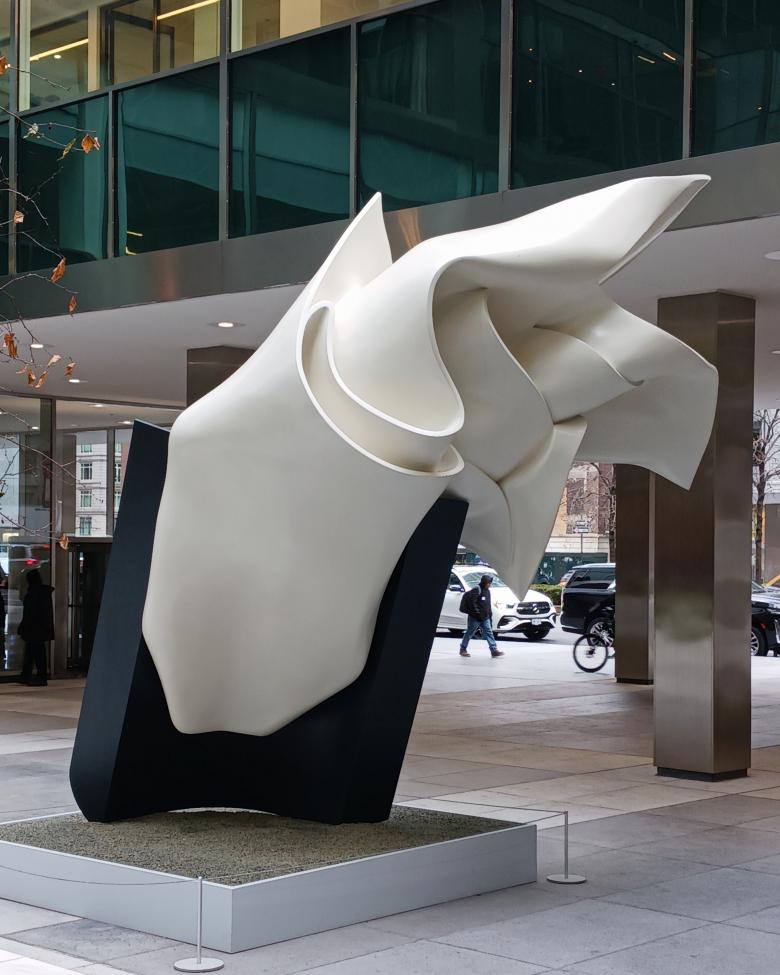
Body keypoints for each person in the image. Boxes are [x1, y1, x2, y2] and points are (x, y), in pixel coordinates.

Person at [18, 569, 54, 686]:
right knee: (35, 651)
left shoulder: (34, 594)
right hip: (40, 628)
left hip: (34, 628)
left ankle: (38, 676)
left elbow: (30, 613)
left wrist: (24, 626)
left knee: (35, 652)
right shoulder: (43, 593)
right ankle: (28, 675)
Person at [459, 574, 504, 659]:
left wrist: (490, 615)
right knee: (470, 633)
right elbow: (472, 603)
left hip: (485, 617)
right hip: (475, 617)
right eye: (488, 583)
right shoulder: (477, 589)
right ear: (484, 582)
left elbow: (488, 605)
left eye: (490, 583)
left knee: (489, 632)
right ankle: (463, 649)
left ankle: (494, 650)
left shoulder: (488, 591)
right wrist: (478, 614)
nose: (489, 585)